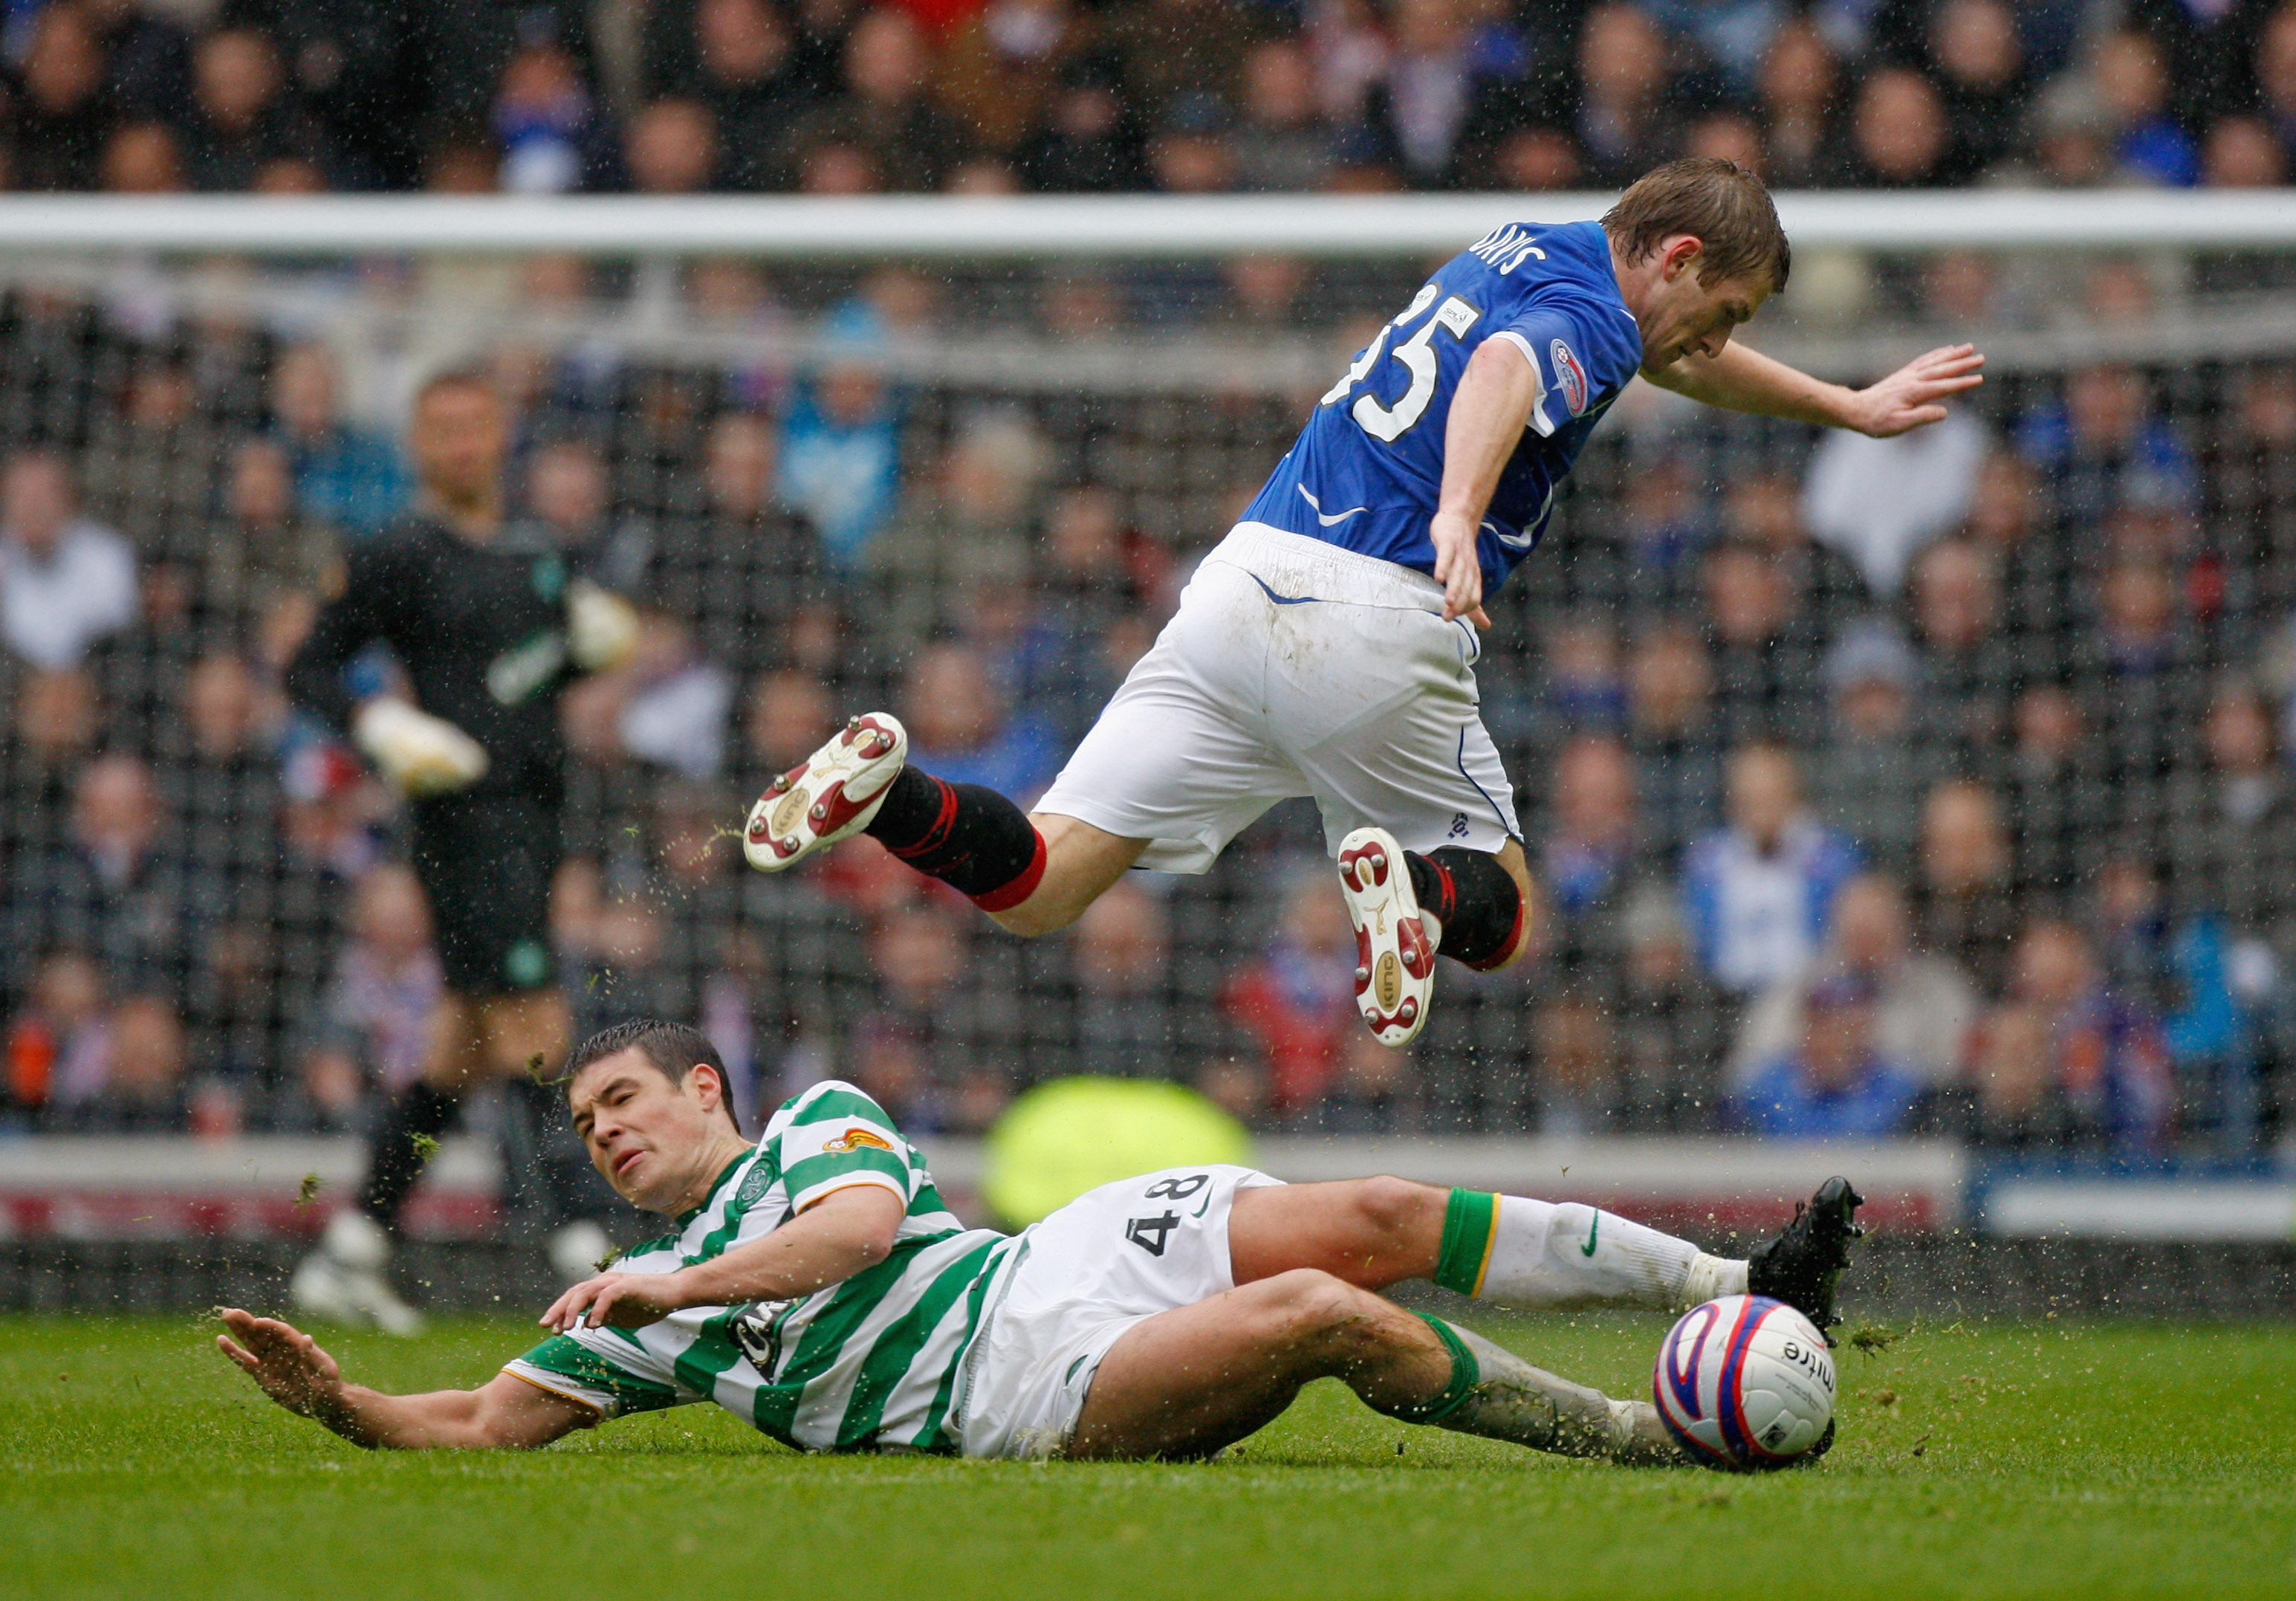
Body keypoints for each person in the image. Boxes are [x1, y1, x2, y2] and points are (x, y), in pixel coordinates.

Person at [739, 159, 1982, 1052]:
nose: (1716, 339)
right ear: (1679, 257)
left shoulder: (1530, 246)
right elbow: (1507, 369)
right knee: (1505, 910)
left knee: (1041, 888)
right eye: (1725, 312)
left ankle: (891, 794)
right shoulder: (1595, 315)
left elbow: (1656, 357)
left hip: (1240, 587)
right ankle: (1416, 895)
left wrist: (1840, 403)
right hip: (1376, 612)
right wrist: (1457, 513)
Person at [218, 1018, 1865, 1466]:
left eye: (624, 1101)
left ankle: (1734, 1280)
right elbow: (478, 1417)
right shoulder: (630, 1317)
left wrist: (684, 1278)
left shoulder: (809, 1132)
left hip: (1048, 1259)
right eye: (586, 1126)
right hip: (1015, 1389)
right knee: (1318, 1311)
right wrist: (342, 1403)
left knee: (1371, 1213)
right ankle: (1638, 1437)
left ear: (704, 1087)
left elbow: (857, 1232)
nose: (606, 1133)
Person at [280, 369, 644, 1334]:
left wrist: (587, 648)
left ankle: (352, 1249)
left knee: (461, 1048)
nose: (461, 443)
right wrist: (380, 723)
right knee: (537, 1028)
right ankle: (586, 1248)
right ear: (417, 443)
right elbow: (307, 665)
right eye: (441, 428)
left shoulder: (536, 548)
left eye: (475, 424)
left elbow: (529, 676)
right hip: (461, 823)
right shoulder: (396, 551)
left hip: (537, 816)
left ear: (501, 432)